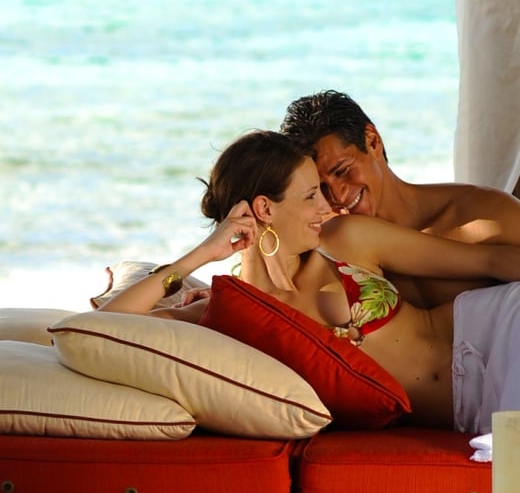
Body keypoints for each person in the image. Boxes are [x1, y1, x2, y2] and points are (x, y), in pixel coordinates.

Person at [100, 130, 520, 434]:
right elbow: (105, 329)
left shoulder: (346, 240)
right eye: (310, 196)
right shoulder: (230, 314)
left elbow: (488, 258)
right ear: (265, 208)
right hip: (475, 407)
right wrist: (202, 254)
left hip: (500, 328)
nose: (328, 205)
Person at [280, 90, 520, 308]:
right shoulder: (327, 250)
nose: (338, 196)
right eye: (320, 188)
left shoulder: (484, 217)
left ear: (372, 141)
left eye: (342, 171)